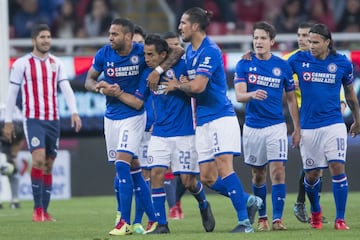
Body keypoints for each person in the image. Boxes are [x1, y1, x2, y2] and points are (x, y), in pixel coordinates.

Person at [84, 18, 183, 236]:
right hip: (111, 118)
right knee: (134, 168)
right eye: (110, 33)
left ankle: (125, 222)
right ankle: (155, 220)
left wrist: (158, 70)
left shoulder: (141, 53)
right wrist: (101, 90)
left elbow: (177, 51)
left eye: (115, 34)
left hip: (134, 117)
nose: (110, 37)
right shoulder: (104, 54)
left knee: (122, 165)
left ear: (128, 37)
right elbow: (89, 81)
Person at [163, 7, 258, 233]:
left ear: (195, 26)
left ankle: (245, 223)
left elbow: (198, 86)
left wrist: (179, 85)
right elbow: (191, 85)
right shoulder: (190, 52)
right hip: (203, 120)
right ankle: (249, 201)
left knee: (225, 168)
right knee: (206, 177)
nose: (180, 27)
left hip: (220, 117)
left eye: (183, 23)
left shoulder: (209, 51)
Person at [2, 24, 82, 222]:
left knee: (48, 164)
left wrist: (74, 112)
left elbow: (66, 88)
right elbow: (12, 93)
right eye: (42, 37)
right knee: (37, 159)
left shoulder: (57, 63)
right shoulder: (22, 64)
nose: (46, 40)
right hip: (33, 119)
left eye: (48, 36)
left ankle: (44, 211)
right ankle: (37, 211)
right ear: (33, 40)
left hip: (53, 120)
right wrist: (9, 121)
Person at [287, 23, 360, 230]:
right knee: (311, 175)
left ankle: (340, 219)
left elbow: (350, 95)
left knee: (337, 167)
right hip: (309, 126)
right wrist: (253, 55)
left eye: (315, 42)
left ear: (327, 42)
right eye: (309, 41)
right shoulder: (298, 60)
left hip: (334, 124)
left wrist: (357, 119)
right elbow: (274, 66)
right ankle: (316, 211)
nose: (311, 45)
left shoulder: (341, 63)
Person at [234, 21, 300, 231]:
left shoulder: (283, 66)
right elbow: (239, 95)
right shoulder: (243, 63)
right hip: (253, 126)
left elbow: (291, 99)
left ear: (272, 41)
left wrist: (296, 128)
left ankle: (277, 219)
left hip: (276, 126)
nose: (259, 42)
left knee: (278, 171)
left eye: (263, 38)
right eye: (255, 38)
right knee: (258, 173)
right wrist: (251, 94)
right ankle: (262, 217)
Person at [162, 31, 187, 220]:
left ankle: (177, 201)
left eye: (177, 45)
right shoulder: (158, 69)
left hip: (190, 123)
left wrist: (181, 85)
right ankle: (173, 207)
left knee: (188, 174)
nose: (175, 49)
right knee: (167, 167)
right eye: (170, 46)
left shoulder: (188, 64)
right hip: (167, 124)